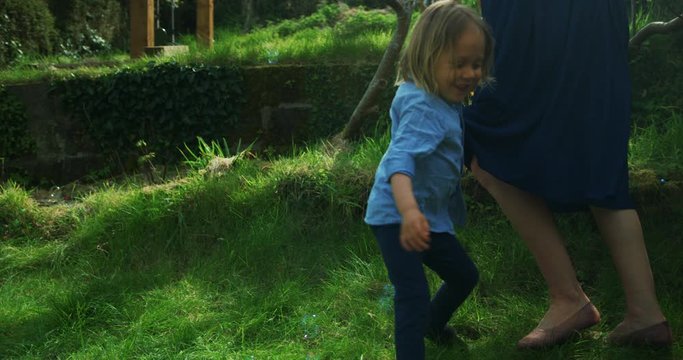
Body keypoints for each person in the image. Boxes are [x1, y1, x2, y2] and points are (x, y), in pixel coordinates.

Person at [463, 1, 673, 349]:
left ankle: (568, 298)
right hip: (593, 17)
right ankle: (645, 313)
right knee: (598, 157)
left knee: (487, 140)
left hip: (535, 18)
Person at [364, 1, 494, 359]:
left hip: (426, 218)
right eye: (459, 64)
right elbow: (399, 162)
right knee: (412, 294)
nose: (470, 73)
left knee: (464, 275)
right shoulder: (423, 107)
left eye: (476, 64)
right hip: (398, 216)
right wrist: (408, 212)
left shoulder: (441, 98)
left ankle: (433, 327)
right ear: (427, 56)